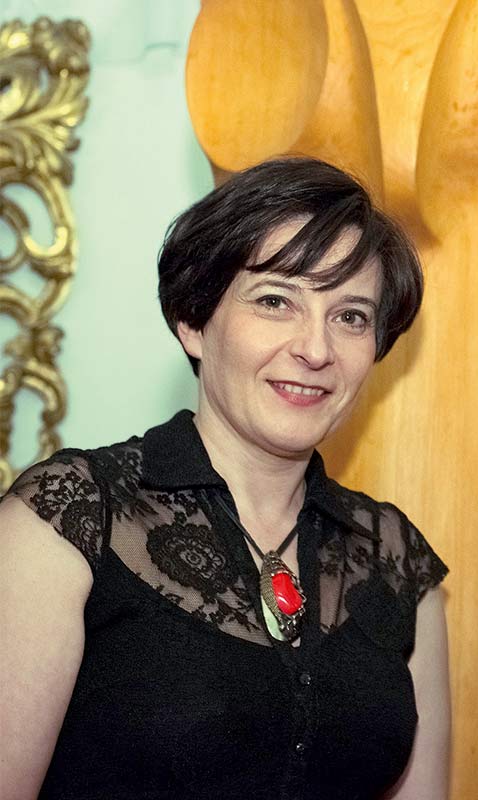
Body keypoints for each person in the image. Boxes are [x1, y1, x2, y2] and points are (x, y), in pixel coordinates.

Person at [0, 158, 450, 799]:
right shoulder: (70, 517)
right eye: (275, 301)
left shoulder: (394, 556)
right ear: (193, 321)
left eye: (350, 316)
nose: (316, 349)